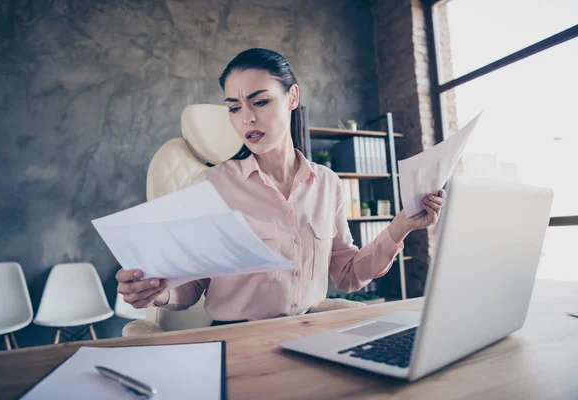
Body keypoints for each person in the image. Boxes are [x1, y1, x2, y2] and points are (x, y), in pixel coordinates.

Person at [116, 48, 445, 326]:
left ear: (292, 97)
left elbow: (347, 275)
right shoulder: (210, 187)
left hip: (306, 330)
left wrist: (401, 227)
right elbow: (192, 285)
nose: (247, 118)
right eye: (234, 107)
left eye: (260, 102)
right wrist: (157, 292)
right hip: (237, 339)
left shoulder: (327, 183)